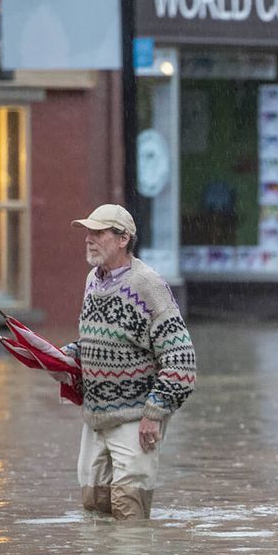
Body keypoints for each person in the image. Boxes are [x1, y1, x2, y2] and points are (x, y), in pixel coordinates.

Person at [61, 203, 196, 520]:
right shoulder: (93, 280)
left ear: (123, 239)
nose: (88, 239)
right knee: (94, 505)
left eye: (98, 232)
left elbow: (181, 359)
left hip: (136, 420)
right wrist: (69, 356)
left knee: (128, 509)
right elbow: (102, 340)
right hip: (95, 418)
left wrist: (154, 413)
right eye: (87, 232)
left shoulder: (148, 285)